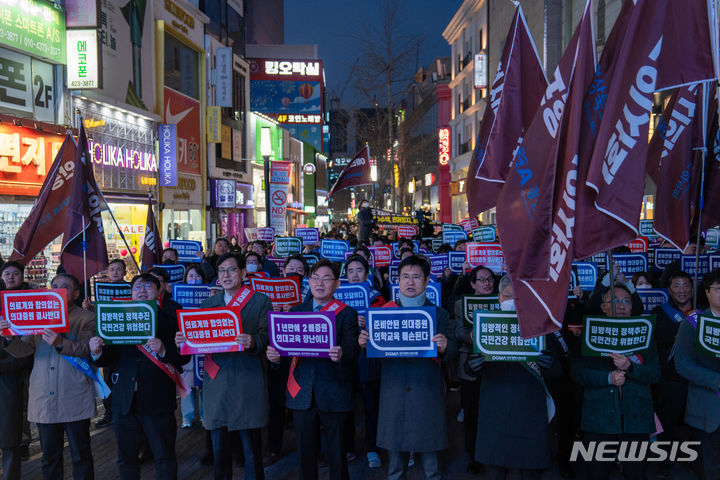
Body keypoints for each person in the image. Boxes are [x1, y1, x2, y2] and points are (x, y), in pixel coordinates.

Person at [359, 255, 458, 480]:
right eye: (405, 277)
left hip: (426, 392)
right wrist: (364, 345)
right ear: (398, 281)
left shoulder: (439, 314)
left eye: (416, 277)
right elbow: (374, 357)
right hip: (394, 393)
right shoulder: (382, 314)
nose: (410, 282)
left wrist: (444, 347)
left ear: (426, 281)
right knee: (395, 466)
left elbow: (452, 351)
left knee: (432, 466)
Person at [175, 253, 271, 480]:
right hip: (217, 380)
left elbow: (268, 336)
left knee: (251, 447)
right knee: (220, 448)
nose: (225, 275)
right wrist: (184, 340)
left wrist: (254, 341)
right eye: (221, 271)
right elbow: (199, 337)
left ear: (243, 273)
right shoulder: (209, 304)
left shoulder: (259, 301)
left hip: (247, 378)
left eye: (231, 270)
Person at [266, 259, 360, 480]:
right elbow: (285, 351)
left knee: (337, 455)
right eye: (315, 278)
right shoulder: (297, 311)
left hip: (334, 392)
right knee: (305, 456)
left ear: (337, 284)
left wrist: (342, 354)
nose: (320, 283)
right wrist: (275, 358)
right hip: (302, 393)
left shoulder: (347, 313)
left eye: (327, 279)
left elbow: (352, 351)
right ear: (308, 282)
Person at [90, 273, 189, 480]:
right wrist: (96, 351)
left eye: (148, 286)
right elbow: (106, 359)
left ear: (159, 290)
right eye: (136, 287)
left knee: (164, 456)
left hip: (158, 399)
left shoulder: (172, 321)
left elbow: (182, 359)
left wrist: (163, 349)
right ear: (131, 293)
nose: (142, 290)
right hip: (124, 401)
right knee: (126, 458)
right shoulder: (117, 318)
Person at [3, 274, 96, 479]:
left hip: (74, 394)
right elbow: (24, 350)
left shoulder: (86, 317)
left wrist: (61, 343)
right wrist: (10, 338)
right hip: (44, 394)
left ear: (76, 292)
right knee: (49, 458)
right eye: (54, 285)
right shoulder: (40, 315)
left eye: (64, 286)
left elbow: (86, 348)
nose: (58, 289)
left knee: (81, 455)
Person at [466, 274, 558, 480]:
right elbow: (470, 368)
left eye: (520, 299)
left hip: (529, 410)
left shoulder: (541, 327)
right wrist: (472, 366)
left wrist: (549, 365)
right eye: (508, 296)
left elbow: (559, 370)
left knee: (528, 472)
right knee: (494, 471)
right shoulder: (485, 326)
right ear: (499, 298)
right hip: (495, 409)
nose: (513, 303)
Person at [571, 285, 660, 480]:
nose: (621, 306)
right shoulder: (591, 333)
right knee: (596, 473)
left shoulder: (644, 332)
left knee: (636, 473)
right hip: (599, 418)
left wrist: (631, 367)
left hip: (636, 418)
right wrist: (607, 378)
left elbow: (655, 374)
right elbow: (577, 373)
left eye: (626, 301)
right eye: (615, 301)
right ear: (604, 307)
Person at [674, 268, 720, 480]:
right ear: (707, 292)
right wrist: (716, 380)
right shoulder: (693, 323)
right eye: (719, 289)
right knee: (712, 467)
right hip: (710, 408)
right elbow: (682, 364)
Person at [651, 269, 695, 475]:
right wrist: (685, 327)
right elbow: (656, 339)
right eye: (676, 286)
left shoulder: (702, 312)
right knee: (667, 422)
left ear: (693, 289)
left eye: (686, 285)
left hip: (696, 378)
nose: (682, 290)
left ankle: (695, 460)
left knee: (696, 422)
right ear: (669, 290)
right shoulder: (660, 312)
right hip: (670, 378)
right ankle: (663, 464)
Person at [453, 265, 495, 474]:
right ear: (472, 284)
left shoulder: (501, 302)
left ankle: (495, 452)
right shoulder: (462, 305)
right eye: (482, 280)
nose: (487, 283)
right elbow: (458, 331)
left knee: (494, 413)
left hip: (496, 366)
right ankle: (474, 456)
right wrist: (472, 337)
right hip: (470, 364)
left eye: (490, 279)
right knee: (472, 414)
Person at [345, 254, 385, 469]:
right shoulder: (337, 297)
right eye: (350, 271)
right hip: (346, 361)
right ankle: (348, 447)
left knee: (371, 407)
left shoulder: (376, 297)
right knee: (346, 406)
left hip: (369, 360)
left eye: (358, 270)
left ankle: (372, 448)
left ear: (367, 274)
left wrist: (368, 321)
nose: (354, 275)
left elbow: (384, 328)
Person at [267, 254, 308, 460]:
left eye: (299, 270)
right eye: (290, 268)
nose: (294, 272)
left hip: (302, 357)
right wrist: (271, 310)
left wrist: (297, 310)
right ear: (283, 271)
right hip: (278, 355)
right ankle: (273, 447)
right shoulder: (270, 292)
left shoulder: (310, 293)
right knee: (276, 402)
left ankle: (307, 449)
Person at [0, 263, 34, 480]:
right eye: (6, 273)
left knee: (10, 435)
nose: (11, 277)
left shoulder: (30, 300)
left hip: (13, 376)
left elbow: (28, 349)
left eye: (15, 274)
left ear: (22, 276)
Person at [95, 259, 128, 428]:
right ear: (107, 272)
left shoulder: (131, 289)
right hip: (107, 341)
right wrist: (90, 307)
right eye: (112, 269)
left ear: (124, 272)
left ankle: (124, 410)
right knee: (107, 378)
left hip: (127, 341)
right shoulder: (101, 291)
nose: (115, 272)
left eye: (118, 269)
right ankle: (109, 412)